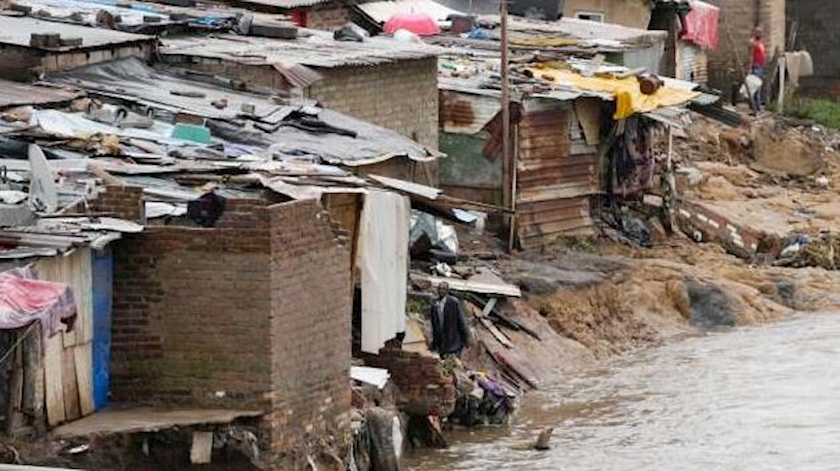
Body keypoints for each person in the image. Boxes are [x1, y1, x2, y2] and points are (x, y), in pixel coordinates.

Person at [429, 283, 470, 357]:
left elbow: (461, 320)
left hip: (453, 339)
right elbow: (434, 325)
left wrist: (465, 338)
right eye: (439, 288)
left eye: (443, 289)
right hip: (441, 340)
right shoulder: (435, 304)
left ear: (447, 290)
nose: (441, 291)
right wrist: (434, 343)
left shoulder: (453, 303)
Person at [748, 27, 766, 113]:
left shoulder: (761, 43)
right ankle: (755, 106)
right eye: (758, 32)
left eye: (761, 32)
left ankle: (757, 106)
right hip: (756, 66)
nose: (760, 34)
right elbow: (751, 52)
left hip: (760, 67)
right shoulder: (753, 42)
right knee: (755, 86)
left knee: (758, 86)